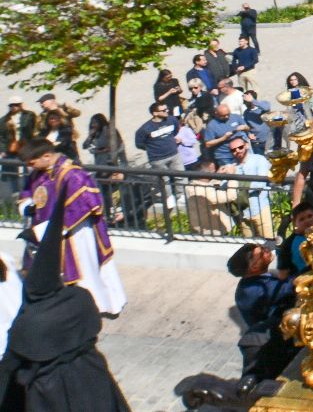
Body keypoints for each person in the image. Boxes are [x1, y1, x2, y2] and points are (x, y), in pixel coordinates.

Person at [0, 184, 130, 409]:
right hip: (93, 379)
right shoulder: (80, 298)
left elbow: (13, 365)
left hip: (51, 394)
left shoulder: (29, 324)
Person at [16, 138, 127, 317]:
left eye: (32, 162)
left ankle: (92, 308)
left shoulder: (73, 175)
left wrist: (41, 232)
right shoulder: (38, 171)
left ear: (46, 156)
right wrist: (27, 206)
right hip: (45, 235)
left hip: (75, 236)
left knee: (83, 272)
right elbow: (28, 192)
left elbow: (80, 208)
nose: (31, 167)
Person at [227, 242, 300, 395]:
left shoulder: (261, 279)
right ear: (253, 267)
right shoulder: (255, 290)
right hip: (272, 343)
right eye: (262, 253)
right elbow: (288, 287)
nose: (268, 251)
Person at [219, 137, 274, 239]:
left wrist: (234, 181)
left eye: (240, 147)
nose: (237, 151)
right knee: (249, 247)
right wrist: (220, 175)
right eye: (233, 150)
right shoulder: (232, 167)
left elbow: (260, 184)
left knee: (268, 243)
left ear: (247, 146)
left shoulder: (259, 159)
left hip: (259, 209)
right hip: (242, 213)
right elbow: (223, 188)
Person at [134, 102, 184, 209]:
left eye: (167, 109)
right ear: (155, 113)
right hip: (157, 158)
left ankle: (181, 196)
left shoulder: (172, 120)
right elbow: (139, 143)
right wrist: (152, 148)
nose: (167, 111)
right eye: (163, 110)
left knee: (179, 175)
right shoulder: (145, 128)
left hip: (174, 154)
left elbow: (175, 131)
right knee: (164, 180)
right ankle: (169, 198)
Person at [203, 103, 251, 168]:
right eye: (223, 115)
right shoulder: (211, 125)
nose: (226, 117)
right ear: (216, 114)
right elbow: (208, 144)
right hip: (225, 156)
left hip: (241, 152)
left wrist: (245, 127)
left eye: (228, 114)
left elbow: (248, 128)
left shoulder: (236, 117)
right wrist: (223, 138)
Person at [276, 202, 313, 278]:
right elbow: (282, 273)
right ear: (295, 225)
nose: (307, 221)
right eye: (301, 219)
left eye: (310, 216)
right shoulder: (289, 243)